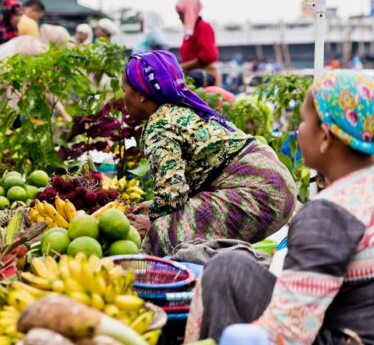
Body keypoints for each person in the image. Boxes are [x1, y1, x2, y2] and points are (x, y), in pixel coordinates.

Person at [185, 70, 374, 345]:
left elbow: (288, 335)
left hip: (354, 342)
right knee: (234, 265)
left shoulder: (331, 213)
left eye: (303, 121)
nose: (298, 131)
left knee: (226, 272)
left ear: (325, 137)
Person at [122, 50, 297, 257]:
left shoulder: (159, 125)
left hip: (259, 193)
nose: (123, 98)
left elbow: (172, 197)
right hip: (273, 185)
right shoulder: (182, 110)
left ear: (141, 94)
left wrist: (151, 220)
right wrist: (154, 206)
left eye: (123, 89)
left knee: (163, 234)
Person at [175, 0, 220, 87]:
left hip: (203, 77)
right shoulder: (189, 34)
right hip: (192, 77)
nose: (179, 18)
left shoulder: (203, 27)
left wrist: (182, 66)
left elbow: (207, 56)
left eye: (181, 14)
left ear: (189, 12)